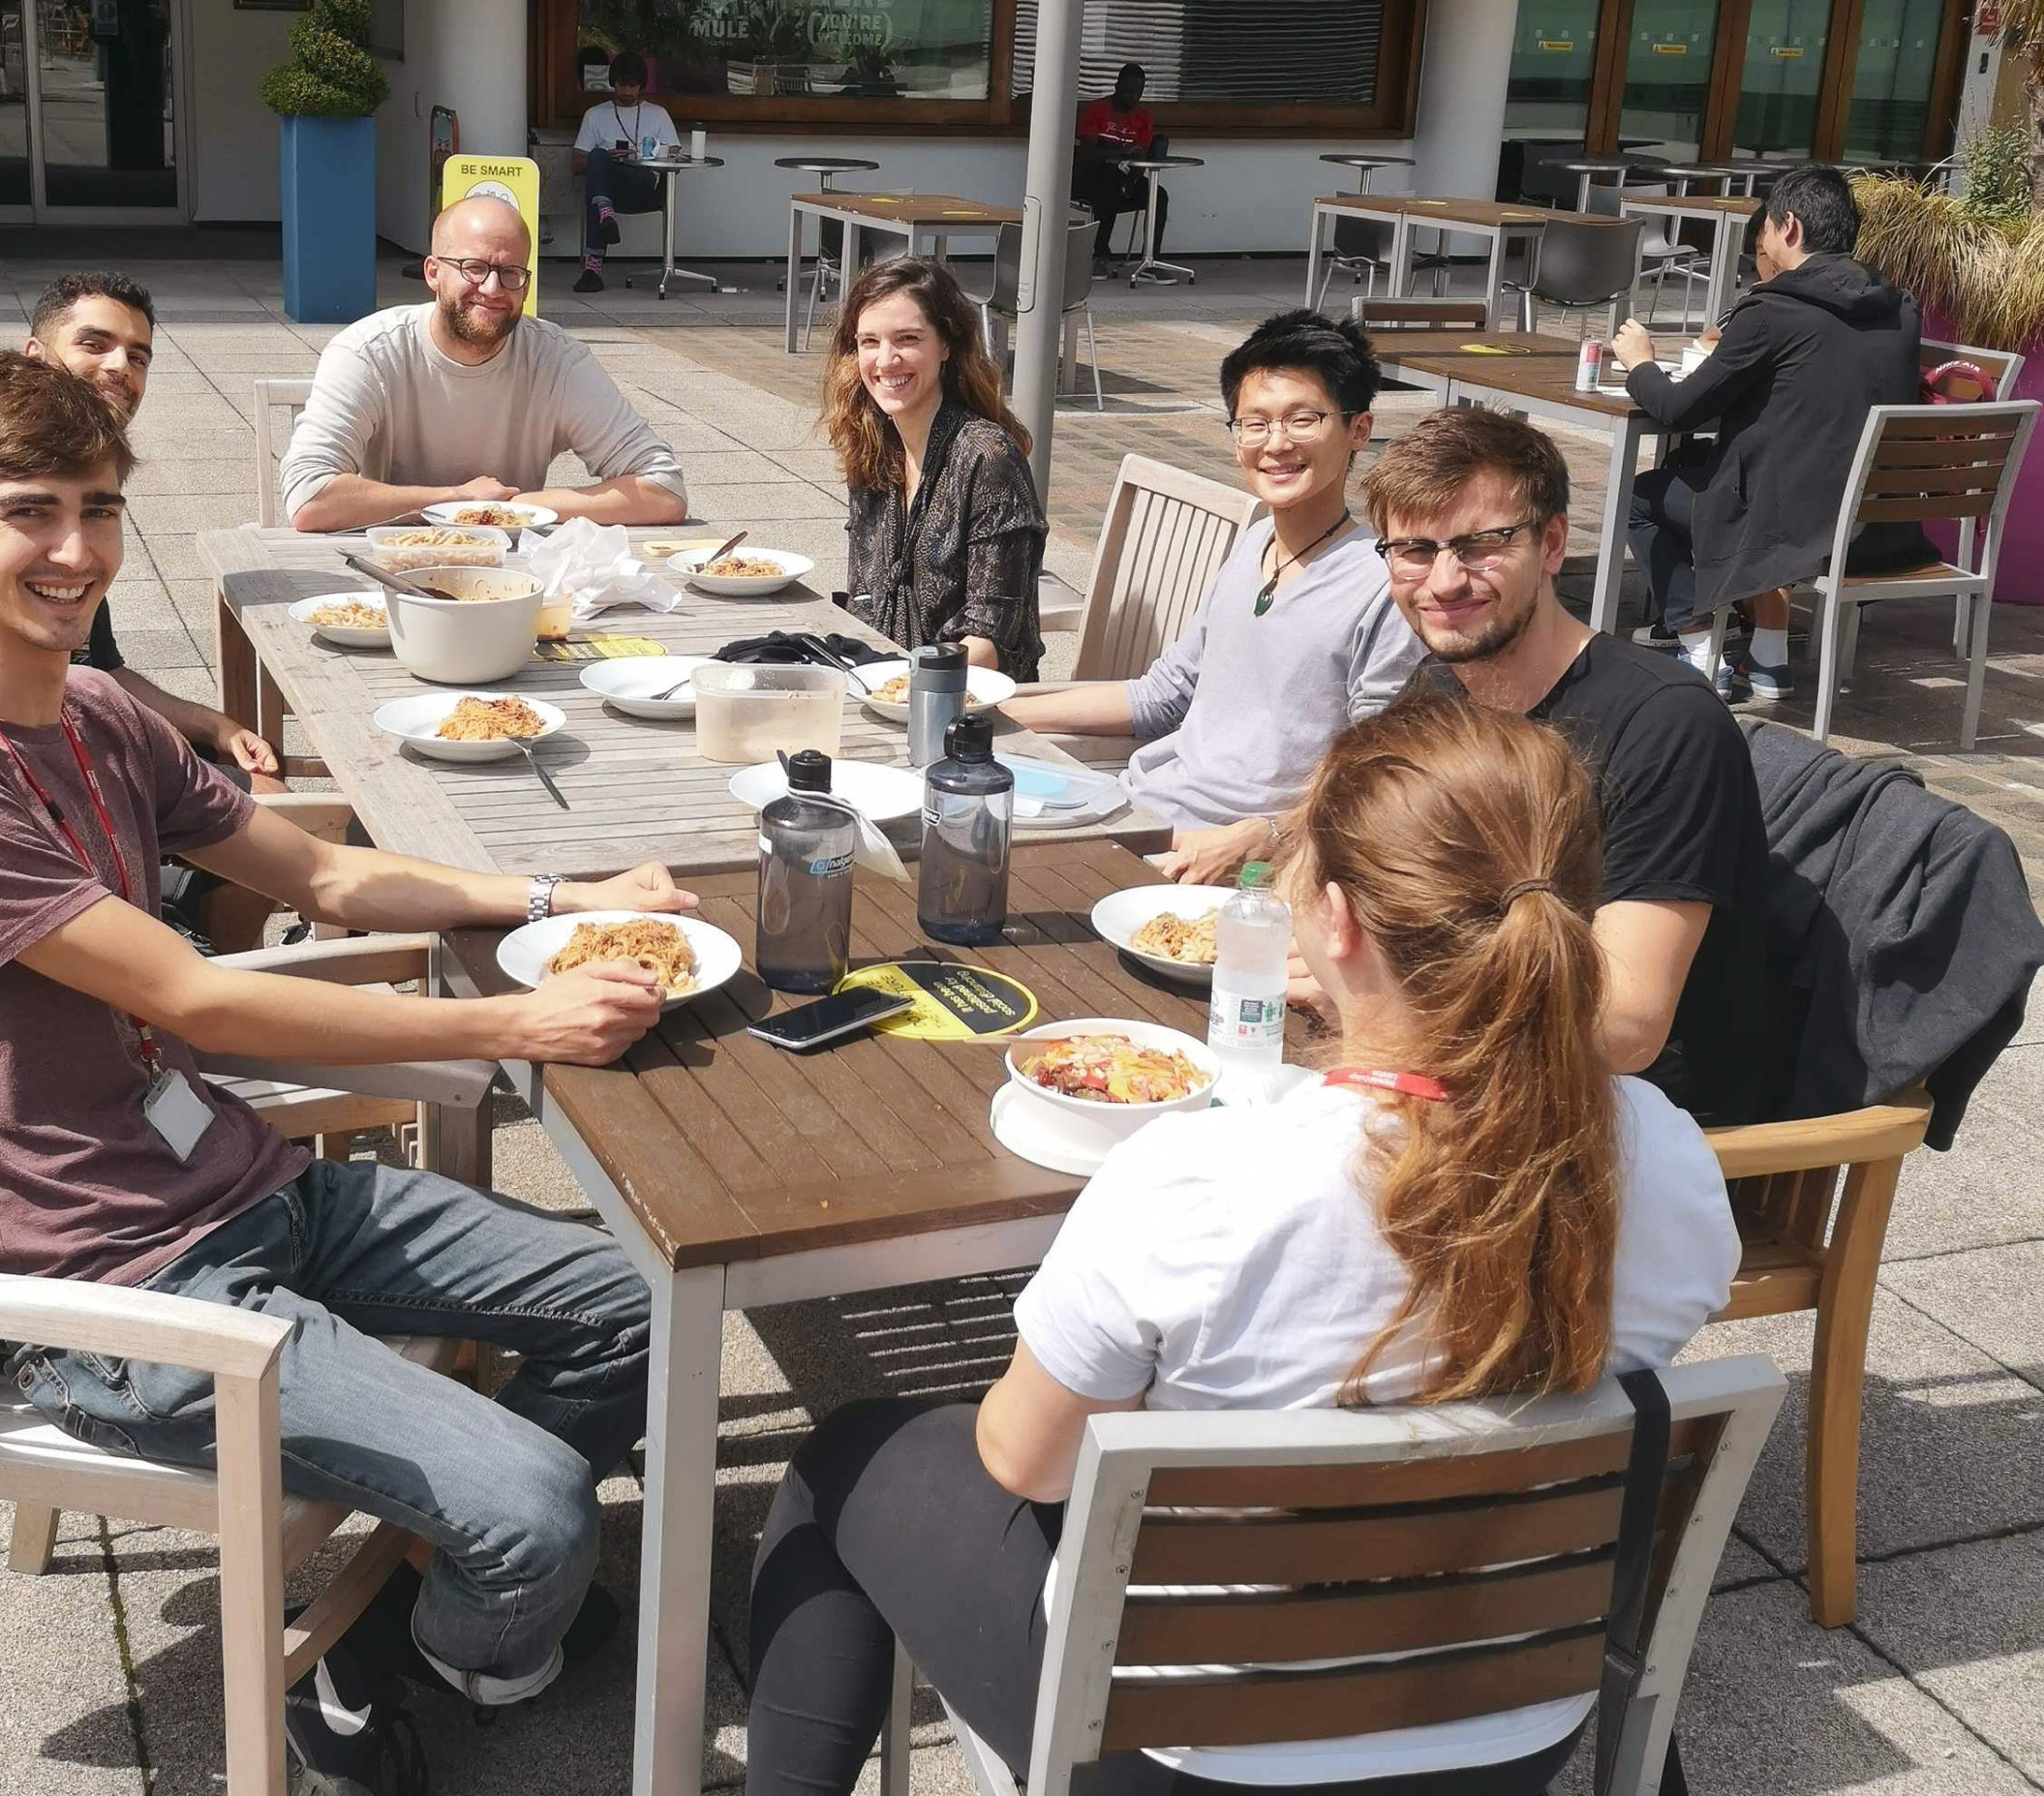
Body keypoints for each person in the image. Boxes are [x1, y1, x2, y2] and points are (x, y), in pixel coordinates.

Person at [0, 349, 687, 1778]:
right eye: (30, 511)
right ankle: (458, 1638)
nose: (74, 550)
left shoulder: (97, 714)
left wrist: (560, 896)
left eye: (98, 510)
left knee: (651, 1307)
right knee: (539, 1510)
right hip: (120, 1288)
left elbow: (326, 877)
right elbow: (197, 998)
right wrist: (507, 1024)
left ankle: (409, 1609)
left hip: (251, 1185)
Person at [742, 693, 1740, 1796]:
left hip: (1188, 1758)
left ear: (1338, 922)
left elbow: (1026, 1461)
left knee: (846, 1461)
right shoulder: (1670, 1160)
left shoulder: (1196, 1181)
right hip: (1511, 1737)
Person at [1359, 405, 1774, 1127]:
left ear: (1551, 544)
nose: (1444, 582)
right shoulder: (1440, 685)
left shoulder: (1667, 725)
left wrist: (1380, 996)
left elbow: (1627, 1024)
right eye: (1415, 549)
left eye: (1481, 544)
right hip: (1463, 1072)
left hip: (1620, 1123)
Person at [0, 272, 287, 954]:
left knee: (265, 796)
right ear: (36, 355)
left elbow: (98, 668)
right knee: (271, 810)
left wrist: (210, 723)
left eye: (138, 355)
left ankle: (202, 941)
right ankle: (206, 950)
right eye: (95, 344)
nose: (120, 367)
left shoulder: (75, 484)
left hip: (64, 732)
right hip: (18, 761)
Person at [1000, 309, 1421, 885]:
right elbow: (1162, 696)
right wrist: (988, 711)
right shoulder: (1254, 543)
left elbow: (1377, 782)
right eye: (1255, 423)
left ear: (1359, 429)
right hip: (1141, 810)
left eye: (1303, 419)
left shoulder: (1386, 586)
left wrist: (1265, 837)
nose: (1276, 444)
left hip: (1236, 864)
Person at [1613, 164, 1923, 701]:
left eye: (1768, 229)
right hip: (1871, 526)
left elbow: (1677, 410)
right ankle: (1767, 658)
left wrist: (1641, 363)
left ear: (1790, 227)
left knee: (1642, 498)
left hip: (1786, 524)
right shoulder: (1901, 308)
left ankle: (1698, 645)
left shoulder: (1775, 310)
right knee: (1720, 472)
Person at [282, 196, 690, 533]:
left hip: (517, 573)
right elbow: (309, 497)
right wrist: (457, 501)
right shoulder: (370, 352)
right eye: (474, 268)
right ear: (433, 273)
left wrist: (518, 508)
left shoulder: (556, 359)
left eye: (510, 273)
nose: (493, 289)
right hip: (391, 564)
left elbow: (663, 490)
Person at [825, 258, 1046, 680]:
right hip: (882, 679)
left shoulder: (988, 459)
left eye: (907, 339)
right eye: (869, 342)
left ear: (946, 346)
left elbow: (989, 642)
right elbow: (864, 598)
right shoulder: (873, 444)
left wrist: (896, 684)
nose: (885, 360)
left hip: (969, 700)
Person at [570, 49, 676, 294]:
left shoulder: (658, 114)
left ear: (641, 85)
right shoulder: (595, 115)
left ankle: (593, 268)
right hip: (608, 188)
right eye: (622, 85)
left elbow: (674, 152)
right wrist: (608, 157)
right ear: (613, 82)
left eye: (632, 86)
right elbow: (575, 164)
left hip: (642, 184)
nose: (627, 92)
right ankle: (605, 216)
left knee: (597, 190)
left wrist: (644, 155)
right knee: (598, 159)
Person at [1074, 63, 1167, 279]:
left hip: (1125, 176)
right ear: (1117, 87)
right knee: (1109, 187)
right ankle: (1100, 255)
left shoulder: (1143, 116)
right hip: (1088, 176)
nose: (1133, 97)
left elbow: (1140, 155)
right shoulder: (1097, 110)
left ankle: (1150, 259)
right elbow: (1088, 153)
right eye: (1129, 91)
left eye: (1138, 92)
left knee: (1158, 195)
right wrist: (1122, 151)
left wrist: (1132, 181)